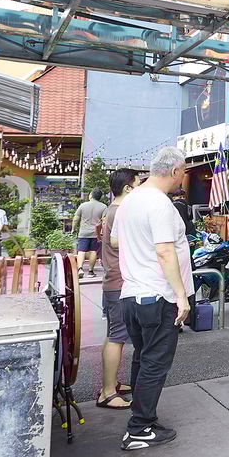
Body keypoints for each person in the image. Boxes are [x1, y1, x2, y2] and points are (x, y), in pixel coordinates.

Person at [114, 146, 193, 451]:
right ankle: (138, 430)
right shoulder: (159, 204)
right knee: (154, 365)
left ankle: (144, 418)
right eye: (184, 171)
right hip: (157, 296)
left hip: (132, 295)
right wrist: (180, 296)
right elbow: (164, 251)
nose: (183, 177)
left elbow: (118, 241)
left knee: (143, 360)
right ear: (175, 171)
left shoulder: (130, 201)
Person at [95, 170, 138, 410]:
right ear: (128, 188)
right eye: (137, 184)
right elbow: (118, 242)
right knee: (117, 337)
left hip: (113, 279)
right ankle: (108, 393)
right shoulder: (121, 211)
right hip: (119, 280)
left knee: (113, 335)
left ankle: (110, 385)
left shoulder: (110, 210)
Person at [74, 190, 108, 277]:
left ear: (91, 195)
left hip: (83, 233)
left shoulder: (83, 205)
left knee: (81, 251)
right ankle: (90, 271)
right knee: (93, 251)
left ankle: (80, 269)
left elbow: (76, 219)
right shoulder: (103, 207)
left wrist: (73, 229)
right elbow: (105, 221)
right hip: (95, 234)